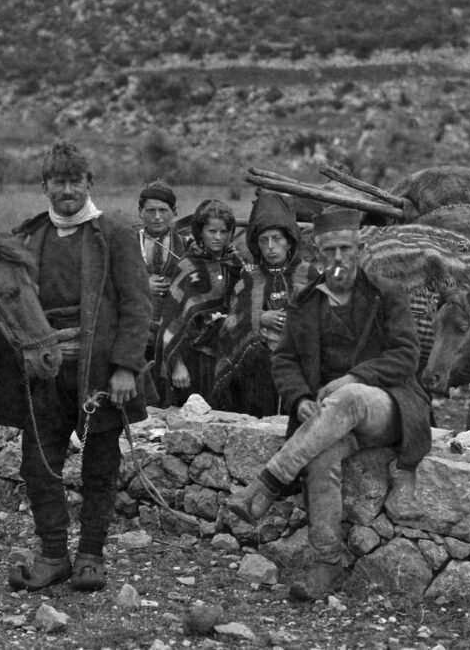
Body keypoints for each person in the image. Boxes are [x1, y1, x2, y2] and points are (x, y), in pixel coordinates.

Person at [227, 207, 432, 601]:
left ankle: (265, 485)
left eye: (345, 249)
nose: (338, 258)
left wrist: (356, 377)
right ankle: (327, 564)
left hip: (388, 407)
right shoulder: (307, 302)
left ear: (359, 249)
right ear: (318, 254)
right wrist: (300, 396)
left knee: (350, 396)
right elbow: (284, 359)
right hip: (330, 416)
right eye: (329, 251)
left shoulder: (386, 293)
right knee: (321, 461)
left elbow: (407, 355)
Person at [0, 141, 151, 593]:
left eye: (75, 182)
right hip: (42, 375)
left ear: (88, 184)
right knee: (38, 467)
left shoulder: (114, 235)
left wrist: (125, 368)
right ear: (44, 187)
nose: (67, 191)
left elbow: (138, 305)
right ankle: (54, 556)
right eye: (58, 182)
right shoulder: (28, 236)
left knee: (100, 468)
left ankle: (91, 557)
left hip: (98, 376)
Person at [214, 191, 314, 416]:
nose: (270, 246)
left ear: (289, 241)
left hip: (301, 364)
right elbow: (231, 322)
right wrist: (259, 319)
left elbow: (325, 316)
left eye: (276, 238)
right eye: (263, 240)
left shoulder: (308, 273)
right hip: (258, 369)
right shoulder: (250, 276)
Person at [157, 199, 243, 407]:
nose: (218, 237)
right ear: (200, 232)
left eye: (224, 232)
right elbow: (171, 320)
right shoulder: (188, 267)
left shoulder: (236, 264)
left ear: (231, 233)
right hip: (195, 361)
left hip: (229, 358)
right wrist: (177, 365)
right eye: (211, 231)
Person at [135, 180, 187, 374]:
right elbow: (111, 280)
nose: (157, 217)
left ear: (175, 212)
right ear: (140, 211)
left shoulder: (187, 245)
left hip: (173, 325)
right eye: (150, 211)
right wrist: (141, 285)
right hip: (136, 326)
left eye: (163, 210)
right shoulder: (127, 242)